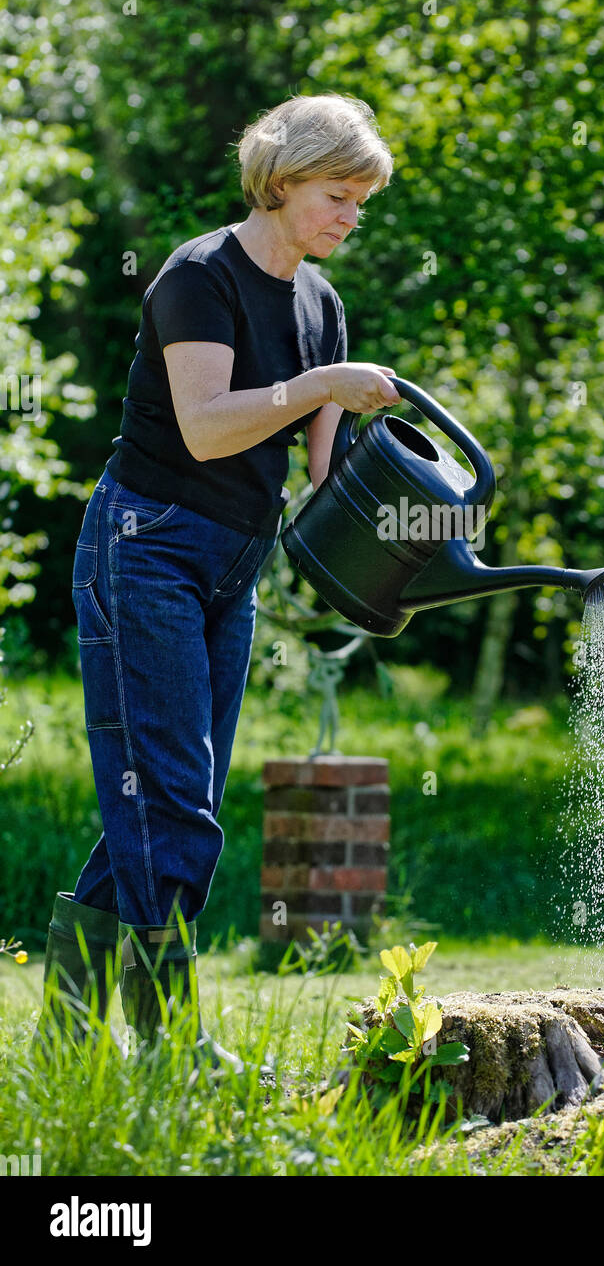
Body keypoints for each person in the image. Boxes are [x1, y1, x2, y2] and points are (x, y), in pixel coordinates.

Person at [34, 92, 400, 1069]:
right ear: (280, 182)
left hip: (230, 570)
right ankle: (172, 1045)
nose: (348, 217)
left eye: (360, 201)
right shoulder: (201, 276)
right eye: (336, 193)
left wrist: (413, 532)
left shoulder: (321, 306)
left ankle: (66, 1044)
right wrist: (323, 385)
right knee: (177, 807)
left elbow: (324, 481)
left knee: (155, 810)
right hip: (142, 549)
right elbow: (208, 427)